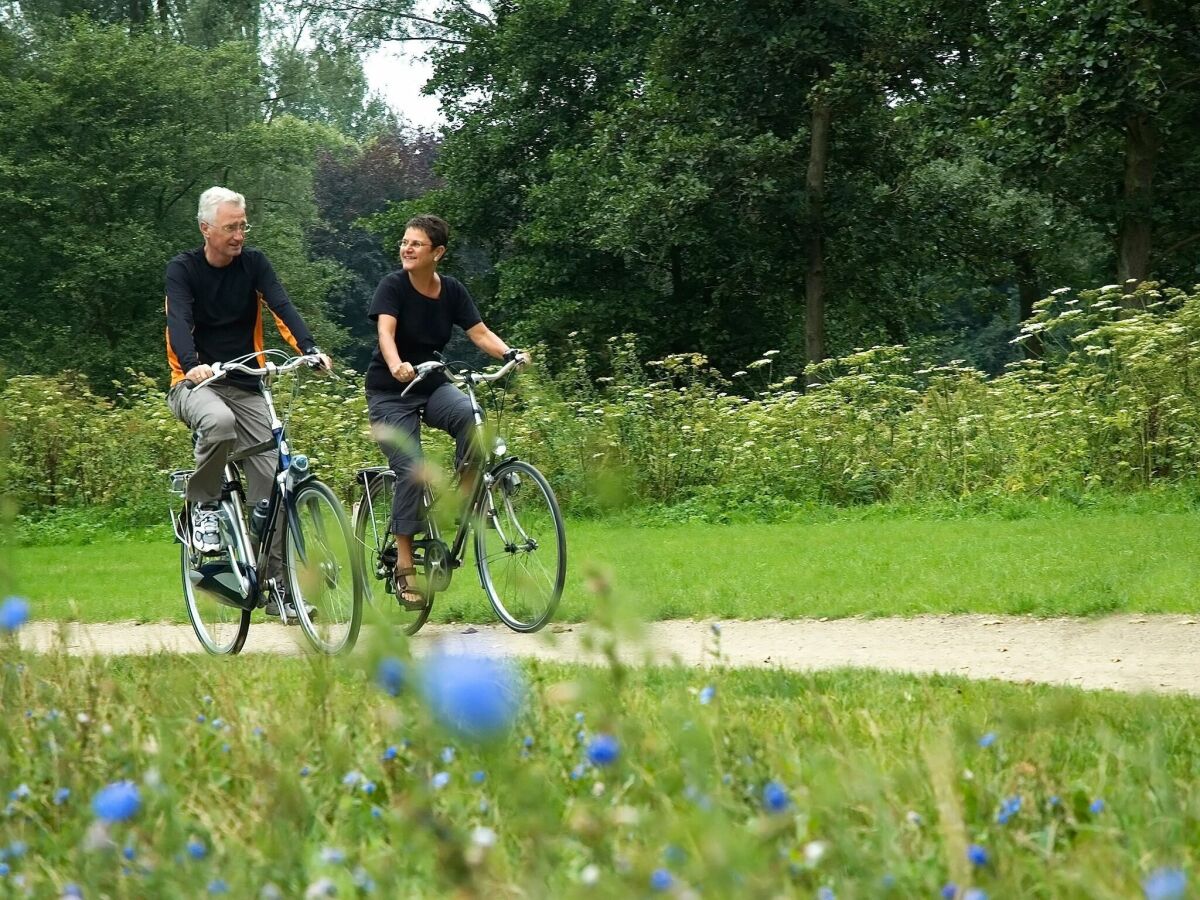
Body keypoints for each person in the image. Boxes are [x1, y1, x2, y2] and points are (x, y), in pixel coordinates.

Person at [165, 186, 331, 620]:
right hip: (195, 385)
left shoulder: (254, 264)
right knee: (218, 424)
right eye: (230, 227)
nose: (239, 235)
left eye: (242, 226)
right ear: (206, 229)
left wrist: (308, 348)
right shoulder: (182, 270)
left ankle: (277, 588)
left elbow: (281, 306)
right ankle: (202, 504)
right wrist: (192, 365)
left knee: (272, 483)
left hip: (247, 384)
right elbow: (178, 321)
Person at [366, 214, 526, 608]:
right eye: (404, 242)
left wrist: (510, 353)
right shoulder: (393, 286)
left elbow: (479, 332)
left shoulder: (451, 291)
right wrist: (396, 364)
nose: (406, 248)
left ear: (437, 253)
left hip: (432, 383)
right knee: (413, 468)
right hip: (391, 392)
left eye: (416, 244)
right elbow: (386, 333)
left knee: (473, 421)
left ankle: (464, 503)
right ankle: (405, 567)